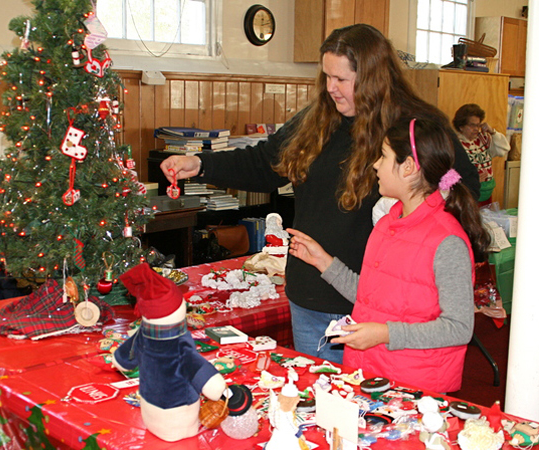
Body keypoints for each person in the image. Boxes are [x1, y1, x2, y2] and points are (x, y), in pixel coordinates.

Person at [160, 24, 480, 364]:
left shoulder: (415, 128)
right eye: (326, 77)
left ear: (372, 77)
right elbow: (263, 162)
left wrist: (415, 207)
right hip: (310, 295)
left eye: (341, 79)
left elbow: (460, 185)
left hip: (374, 306)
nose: (330, 88)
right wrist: (200, 164)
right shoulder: (318, 119)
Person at [287, 117, 490, 393]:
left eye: (383, 156)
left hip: (414, 387)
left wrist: (384, 334)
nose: (375, 165)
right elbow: (373, 297)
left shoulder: (447, 240)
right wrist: (322, 261)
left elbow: (458, 328)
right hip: (371, 372)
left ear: (407, 167)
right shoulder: (387, 223)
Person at [453, 103, 510, 204]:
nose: (476, 129)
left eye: (478, 125)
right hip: (469, 194)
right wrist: (472, 179)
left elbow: (504, 150)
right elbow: (451, 174)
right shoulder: (456, 145)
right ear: (461, 126)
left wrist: (493, 132)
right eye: (472, 125)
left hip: (487, 193)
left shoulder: (483, 138)